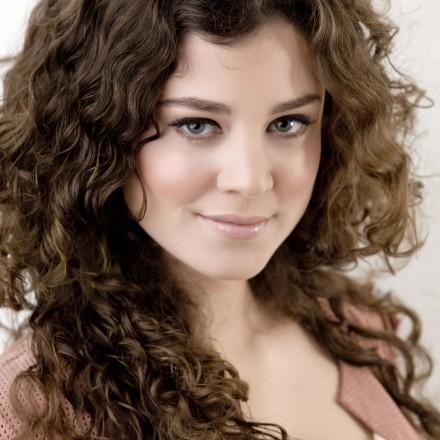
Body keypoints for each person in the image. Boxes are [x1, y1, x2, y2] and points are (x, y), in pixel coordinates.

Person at [0, 0, 438, 439]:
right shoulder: (36, 405)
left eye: (288, 123)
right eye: (196, 125)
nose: (251, 180)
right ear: (98, 134)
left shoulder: (357, 331)